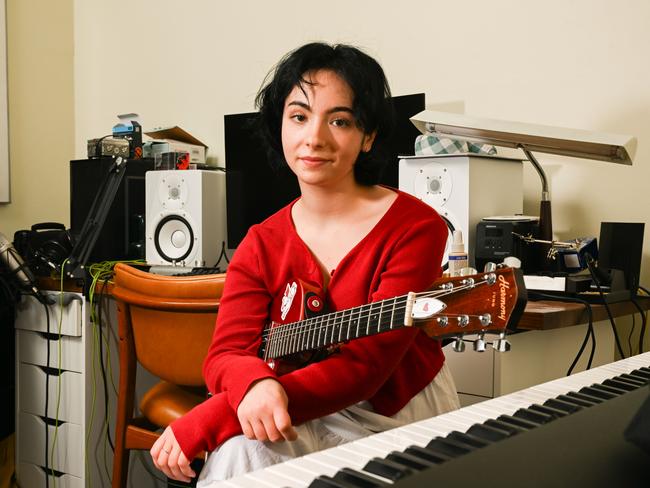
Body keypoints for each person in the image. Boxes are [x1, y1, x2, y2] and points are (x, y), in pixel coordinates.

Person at [150, 42, 460, 484]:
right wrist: (256, 386)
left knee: (239, 442)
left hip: (392, 409)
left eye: (340, 121)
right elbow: (224, 355)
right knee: (241, 453)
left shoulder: (416, 227)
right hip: (286, 399)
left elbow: (364, 371)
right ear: (281, 126)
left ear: (368, 136)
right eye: (299, 116)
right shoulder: (261, 241)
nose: (314, 138)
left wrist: (213, 416)